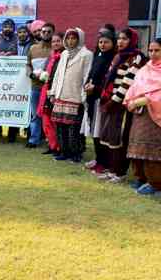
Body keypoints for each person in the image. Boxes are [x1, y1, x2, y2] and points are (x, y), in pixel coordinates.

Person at [124, 38, 161, 195]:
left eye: (157, 50)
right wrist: (131, 100)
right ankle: (141, 178)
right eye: (150, 50)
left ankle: (155, 183)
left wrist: (140, 100)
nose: (153, 54)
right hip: (141, 115)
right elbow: (134, 87)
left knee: (156, 148)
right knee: (138, 145)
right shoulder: (144, 70)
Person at [98, 28, 148, 183]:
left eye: (125, 39)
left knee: (120, 137)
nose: (120, 41)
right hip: (111, 102)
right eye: (119, 38)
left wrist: (114, 101)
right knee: (109, 136)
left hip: (123, 104)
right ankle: (112, 169)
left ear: (132, 41)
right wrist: (106, 98)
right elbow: (109, 79)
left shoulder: (137, 57)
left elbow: (128, 81)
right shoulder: (118, 56)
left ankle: (120, 172)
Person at [49, 28, 93, 163]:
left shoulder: (86, 54)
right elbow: (57, 75)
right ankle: (64, 151)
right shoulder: (64, 54)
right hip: (61, 95)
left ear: (79, 39)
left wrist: (84, 96)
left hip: (76, 96)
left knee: (74, 128)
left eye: (73, 38)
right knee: (60, 126)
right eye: (68, 38)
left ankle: (76, 153)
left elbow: (87, 75)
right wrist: (53, 92)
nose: (70, 41)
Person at [82, 27, 117, 175]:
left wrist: (95, 88)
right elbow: (91, 74)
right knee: (93, 130)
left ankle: (105, 163)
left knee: (100, 131)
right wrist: (87, 85)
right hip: (92, 98)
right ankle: (98, 159)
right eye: (101, 42)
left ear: (113, 43)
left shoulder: (113, 59)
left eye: (106, 42)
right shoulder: (99, 55)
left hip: (101, 99)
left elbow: (107, 80)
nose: (103, 44)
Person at [25, 21, 54, 148]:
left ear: (52, 33)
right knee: (35, 114)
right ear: (40, 33)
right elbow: (27, 65)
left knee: (51, 116)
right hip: (35, 87)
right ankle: (33, 140)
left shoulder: (55, 49)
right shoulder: (33, 48)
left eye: (49, 32)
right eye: (44, 31)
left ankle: (52, 141)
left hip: (50, 89)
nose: (46, 34)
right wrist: (31, 74)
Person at [37, 32, 65, 156]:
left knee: (55, 122)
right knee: (46, 122)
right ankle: (52, 145)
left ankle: (58, 147)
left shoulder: (64, 57)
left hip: (56, 93)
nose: (55, 43)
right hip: (46, 91)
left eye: (58, 41)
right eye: (53, 41)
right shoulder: (51, 56)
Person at [0, 18, 19, 142]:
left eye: (10, 27)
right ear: (1, 28)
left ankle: (12, 134)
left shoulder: (18, 40)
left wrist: (12, 56)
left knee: (13, 104)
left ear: (14, 28)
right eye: (5, 26)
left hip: (14, 78)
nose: (7, 29)